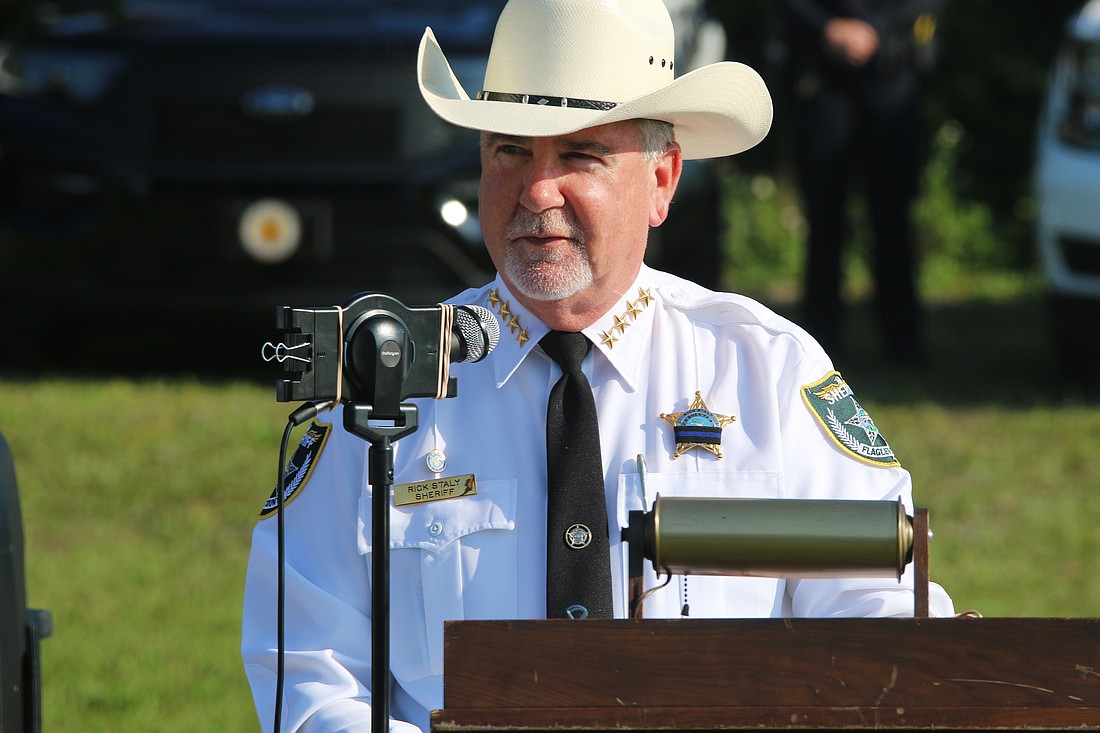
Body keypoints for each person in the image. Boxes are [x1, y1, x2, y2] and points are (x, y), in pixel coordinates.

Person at [241, 1, 955, 731]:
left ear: (662, 181)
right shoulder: (387, 378)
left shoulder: (763, 370)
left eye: (580, 155)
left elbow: (886, 620)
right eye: (510, 151)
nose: (536, 191)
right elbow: (306, 665)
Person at [777, 0, 939, 362]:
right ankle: (817, 348)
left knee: (894, 215)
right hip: (819, 79)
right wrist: (826, 28)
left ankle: (903, 344)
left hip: (893, 74)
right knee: (823, 219)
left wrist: (876, 27)